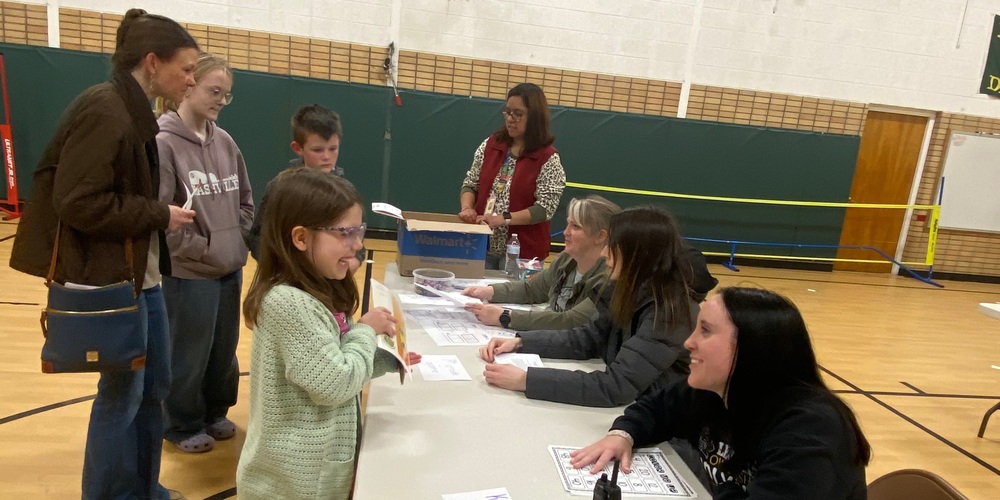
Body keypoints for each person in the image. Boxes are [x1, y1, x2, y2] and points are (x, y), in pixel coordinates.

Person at [8, 8, 198, 499]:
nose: (192, 79)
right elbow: (79, 201)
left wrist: (157, 217)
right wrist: (159, 215)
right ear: (152, 62)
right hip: (114, 280)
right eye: (187, 69)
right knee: (121, 395)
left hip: (143, 279)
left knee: (152, 389)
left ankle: (142, 489)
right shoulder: (105, 109)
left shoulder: (132, 109)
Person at [570, 287, 871, 499]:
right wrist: (623, 434)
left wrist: (728, 491)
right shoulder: (714, 391)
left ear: (753, 349)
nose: (688, 342)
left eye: (705, 330)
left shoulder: (811, 429)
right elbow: (656, 408)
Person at [237, 167, 421, 499]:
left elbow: (332, 358)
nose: (358, 244)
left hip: (316, 477)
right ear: (301, 238)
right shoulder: (288, 302)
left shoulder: (316, 289)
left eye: (359, 231)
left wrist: (384, 359)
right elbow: (333, 382)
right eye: (345, 233)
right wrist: (365, 331)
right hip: (293, 486)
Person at [478, 206, 699, 407]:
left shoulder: (670, 314)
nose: (604, 254)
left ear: (638, 255)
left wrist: (526, 380)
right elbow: (585, 340)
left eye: (612, 246)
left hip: (663, 428)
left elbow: (615, 387)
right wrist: (521, 342)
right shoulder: (625, 289)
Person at [156, 53, 253, 453]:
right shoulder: (164, 144)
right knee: (188, 353)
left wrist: (234, 241)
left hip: (230, 268)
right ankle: (180, 424)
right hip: (190, 273)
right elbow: (161, 217)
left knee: (222, 351)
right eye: (215, 91)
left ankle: (215, 412)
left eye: (226, 95)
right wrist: (203, 248)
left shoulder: (226, 142)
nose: (219, 100)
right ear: (189, 84)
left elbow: (246, 201)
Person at [462, 195, 619, 330]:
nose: (566, 232)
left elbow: (570, 322)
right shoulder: (567, 259)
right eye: (568, 224)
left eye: (576, 227)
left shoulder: (609, 278)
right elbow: (532, 290)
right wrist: (489, 291)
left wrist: (506, 317)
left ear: (601, 236)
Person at [459, 83, 566, 267]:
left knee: (513, 295)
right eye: (507, 112)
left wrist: (503, 218)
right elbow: (471, 183)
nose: (510, 119)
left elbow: (544, 209)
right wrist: (467, 207)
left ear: (534, 117)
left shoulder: (548, 157)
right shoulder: (491, 144)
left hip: (523, 251)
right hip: (482, 245)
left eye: (518, 113)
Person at [247, 104, 361, 272]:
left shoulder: (345, 192)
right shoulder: (280, 188)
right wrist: (282, 267)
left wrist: (354, 261)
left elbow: (356, 239)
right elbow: (257, 237)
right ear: (298, 148)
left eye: (333, 149)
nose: (327, 157)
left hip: (329, 282)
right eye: (317, 150)